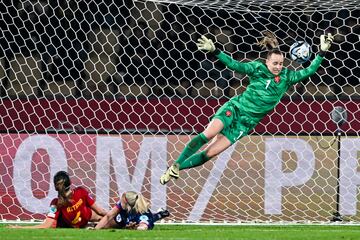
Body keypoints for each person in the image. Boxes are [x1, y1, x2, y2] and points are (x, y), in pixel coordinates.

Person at [160, 31, 334, 185]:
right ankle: (177, 163)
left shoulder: (287, 77)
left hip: (245, 124)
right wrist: (215, 51)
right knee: (208, 134)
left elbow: (309, 71)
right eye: (275, 63)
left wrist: (322, 51)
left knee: (210, 154)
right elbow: (235, 65)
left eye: (281, 64)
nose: (278, 67)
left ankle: (176, 168)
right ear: (267, 62)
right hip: (235, 108)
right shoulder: (257, 68)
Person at [9, 171, 107, 228]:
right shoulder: (81, 191)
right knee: (102, 217)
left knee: (54, 223)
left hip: (72, 223)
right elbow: (100, 210)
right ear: (70, 183)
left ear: (56, 187)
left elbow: (46, 224)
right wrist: (113, 215)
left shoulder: (55, 204)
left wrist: (21, 227)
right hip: (86, 217)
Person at [93, 191, 169, 230]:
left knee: (151, 219)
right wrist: (95, 230)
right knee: (104, 224)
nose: (119, 202)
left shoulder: (142, 215)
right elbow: (108, 216)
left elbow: (143, 226)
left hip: (134, 218)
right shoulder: (122, 205)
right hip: (124, 216)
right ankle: (161, 213)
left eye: (121, 201)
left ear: (128, 204)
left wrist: (137, 228)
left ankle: (161, 214)